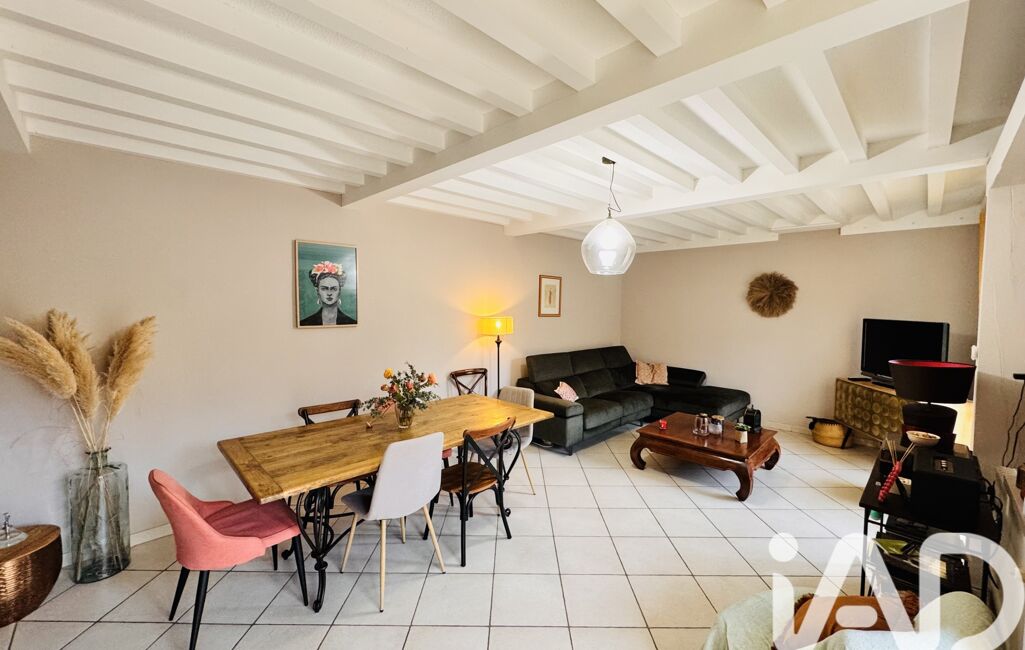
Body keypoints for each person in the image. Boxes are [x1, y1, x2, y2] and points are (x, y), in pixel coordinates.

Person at [300, 261, 356, 326]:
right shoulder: (305, 323)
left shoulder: (351, 322)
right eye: (324, 289)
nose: (329, 293)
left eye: (333, 289)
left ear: (339, 291)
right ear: (317, 291)